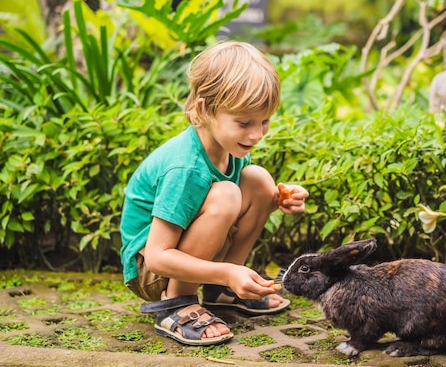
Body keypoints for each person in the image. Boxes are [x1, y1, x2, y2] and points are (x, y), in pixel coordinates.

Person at [119, 40, 309, 346]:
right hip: (151, 270)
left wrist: (278, 200)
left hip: (185, 251)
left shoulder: (229, 147)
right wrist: (226, 271)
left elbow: (231, 204)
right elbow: (156, 257)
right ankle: (177, 303)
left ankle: (221, 292)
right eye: (245, 122)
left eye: (265, 121)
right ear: (205, 109)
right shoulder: (186, 168)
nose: (257, 134)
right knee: (226, 195)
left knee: (259, 180)